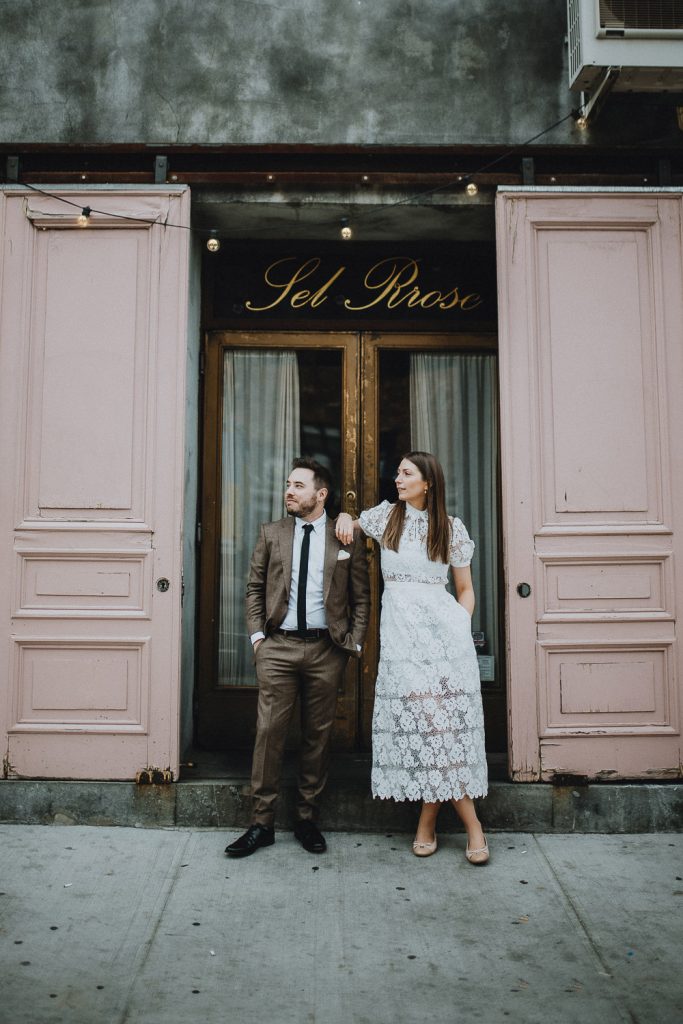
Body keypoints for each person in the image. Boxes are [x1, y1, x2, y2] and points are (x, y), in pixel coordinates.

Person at [335, 451, 489, 864]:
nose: (397, 479)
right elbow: (349, 520)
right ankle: (466, 824)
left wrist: (460, 623)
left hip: (445, 644)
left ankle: (435, 824)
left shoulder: (451, 529)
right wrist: (346, 518)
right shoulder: (386, 518)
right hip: (403, 646)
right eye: (398, 472)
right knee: (432, 730)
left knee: (441, 731)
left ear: (428, 483)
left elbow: (465, 588)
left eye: (406, 473)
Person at [225, 457, 370, 858]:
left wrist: (353, 644)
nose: (289, 491)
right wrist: (258, 638)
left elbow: (362, 596)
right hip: (278, 648)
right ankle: (261, 823)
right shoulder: (272, 534)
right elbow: (254, 587)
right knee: (268, 733)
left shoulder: (344, 536)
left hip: (327, 650)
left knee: (317, 737)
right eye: (288, 484)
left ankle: (307, 819)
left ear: (320, 494)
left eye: (299, 486)